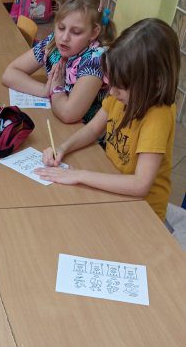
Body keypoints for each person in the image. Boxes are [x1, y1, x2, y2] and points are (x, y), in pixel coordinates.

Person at [35, 18, 180, 222]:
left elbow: (140, 185)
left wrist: (79, 175)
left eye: (120, 86)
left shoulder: (158, 116)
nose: (111, 92)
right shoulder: (123, 95)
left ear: (153, 83)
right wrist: (63, 148)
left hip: (143, 213)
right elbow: (93, 129)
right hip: (113, 188)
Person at [2, 0, 116, 124]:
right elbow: (9, 74)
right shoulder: (53, 43)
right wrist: (44, 90)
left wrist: (56, 88)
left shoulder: (96, 60)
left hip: (82, 131)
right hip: (57, 119)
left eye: (76, 32)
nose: (64, 37)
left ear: (93, 33)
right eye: (61, 27)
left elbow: (68, 114)